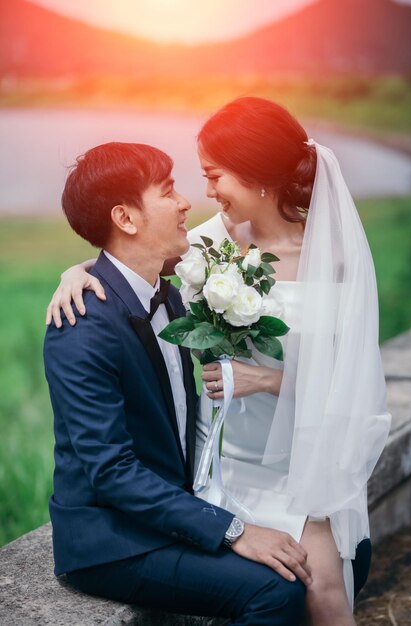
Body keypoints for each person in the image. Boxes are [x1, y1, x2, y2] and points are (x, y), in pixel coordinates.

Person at [46, 98, 391, 625]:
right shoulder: (210, 250)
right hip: (229, 470)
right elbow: (123, 256)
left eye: (212, 175)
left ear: (257, 177)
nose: (197, 195)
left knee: (332, 579)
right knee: (297, 587)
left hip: (307, 458)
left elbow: (353, 389)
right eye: (179, 186)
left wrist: (269, 380)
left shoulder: (338, 257)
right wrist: (76, 272)